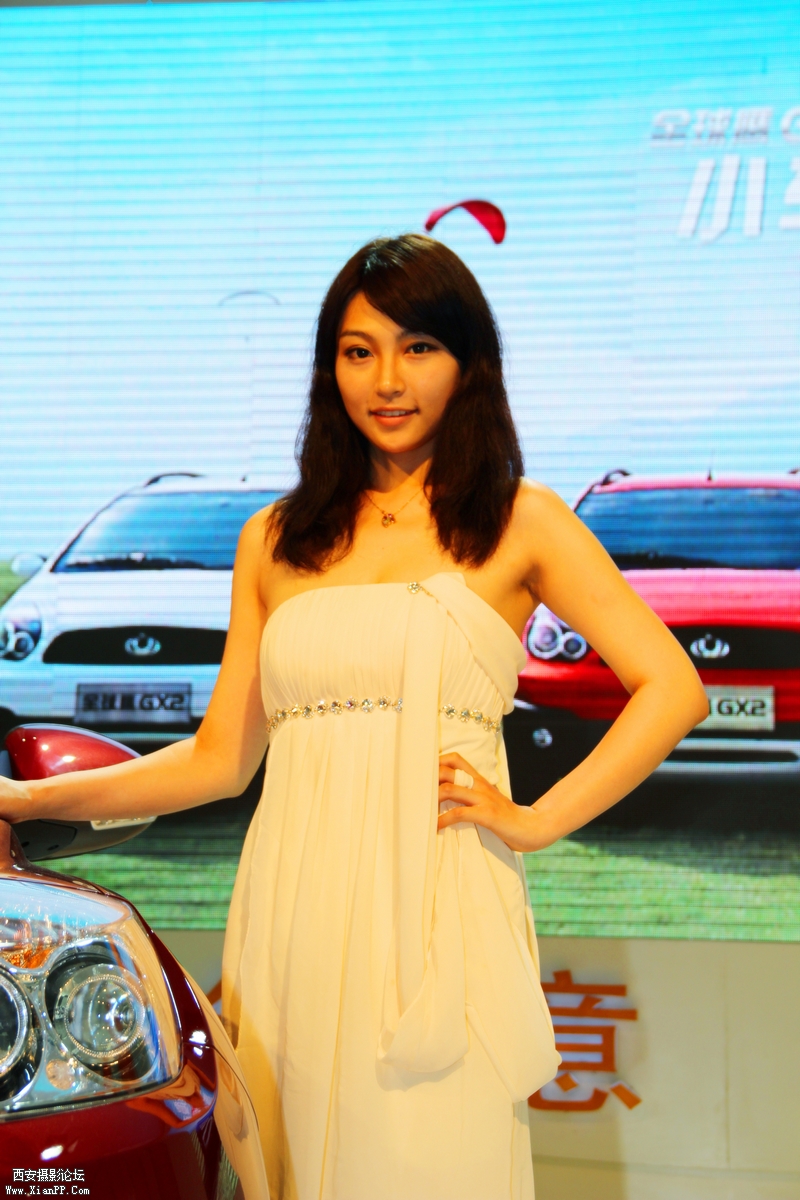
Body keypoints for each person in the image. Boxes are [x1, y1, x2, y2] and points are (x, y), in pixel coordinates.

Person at [0, 234, 708, 1200]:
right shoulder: (275, 537)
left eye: (419, 347)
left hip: (437, 910)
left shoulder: (521, 518)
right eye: (358, 350)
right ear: (328, 366)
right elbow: (219, 759)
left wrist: (536, 820)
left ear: (468, 363)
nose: (387, 380)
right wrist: (26, 798)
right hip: (293, 907)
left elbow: (672, 688)